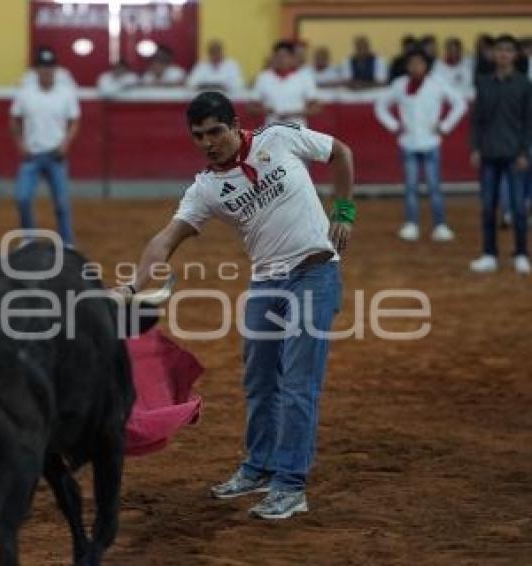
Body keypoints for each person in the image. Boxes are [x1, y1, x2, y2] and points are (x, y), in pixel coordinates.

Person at [114, 91, 354, 520]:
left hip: (314, 274)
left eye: (216, 131)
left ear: (234, 123)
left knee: (298, 384)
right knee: (260, 381)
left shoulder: (278, 137)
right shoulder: (206, 188)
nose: (209, 142)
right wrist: (133, 285)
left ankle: (290, 485)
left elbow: (341, 153)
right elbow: (167, 238)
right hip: (265, 282)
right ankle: (259, 468)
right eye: (199, 136)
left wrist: (346, 211)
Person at [375, 49, 467, 242]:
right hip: (408, 142)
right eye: (412, 63)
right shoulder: (400, 85)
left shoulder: (437, 83)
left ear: (426, 66)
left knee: (434, 187)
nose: (416, 67)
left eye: (420, 63)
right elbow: (380, 105)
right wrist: (394, 125)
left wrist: (444, 126)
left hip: (431, 142)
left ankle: (440, 225)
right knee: (410, 187)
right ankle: (411, 224)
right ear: (407, 66)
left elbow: (460, 103)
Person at [469, 35, 532, 275]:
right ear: (493, 54)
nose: (504, 54)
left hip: (516, 154)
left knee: (517, 208)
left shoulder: (524, 84)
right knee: (487, 207)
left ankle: (521, 253)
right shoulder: (484, 83)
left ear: (515, 55)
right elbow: (476, 120)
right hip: (488, 154)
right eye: (499, 50)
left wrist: (525, 151)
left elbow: (529, 122)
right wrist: (475, 147)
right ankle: (489, 254)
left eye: (508, 50)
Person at [9, 47, 80, 247]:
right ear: (36, 70)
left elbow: (74, 121)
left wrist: (65, 144)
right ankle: (28, 238)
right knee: (22, 198)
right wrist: (20, 145)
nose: (46, 71)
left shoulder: (66, 93)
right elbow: (14, 120)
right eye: (42, 67)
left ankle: (67, 243)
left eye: (49, 67)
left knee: (61, 202)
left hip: (55, 154)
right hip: (32, 154)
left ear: (55, 70)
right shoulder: (25, 93)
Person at [249, 40, 320, 126]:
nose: (281, 59)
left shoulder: (304, 77)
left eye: (285, 56)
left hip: (297, 129)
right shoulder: (264, 77)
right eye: (278, 56)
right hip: (272, 130)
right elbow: (251, 108)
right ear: (273, 57)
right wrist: (267, 110)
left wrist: (293, 113)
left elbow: (316, 108)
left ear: (292, 58)